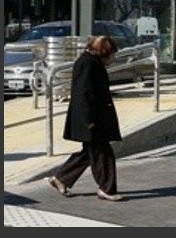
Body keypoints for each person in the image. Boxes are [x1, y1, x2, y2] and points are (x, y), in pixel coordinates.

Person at [47, 35, 124, 202]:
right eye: (112, 54)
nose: (113, 58)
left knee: (91, 153)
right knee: (103, 153)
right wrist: (88, 121)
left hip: (93, 118)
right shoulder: (88, 64)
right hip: (91, 119)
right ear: (104, 52)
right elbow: (83, 94)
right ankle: (106, 189)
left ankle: (61, 178)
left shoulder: (90, 62)